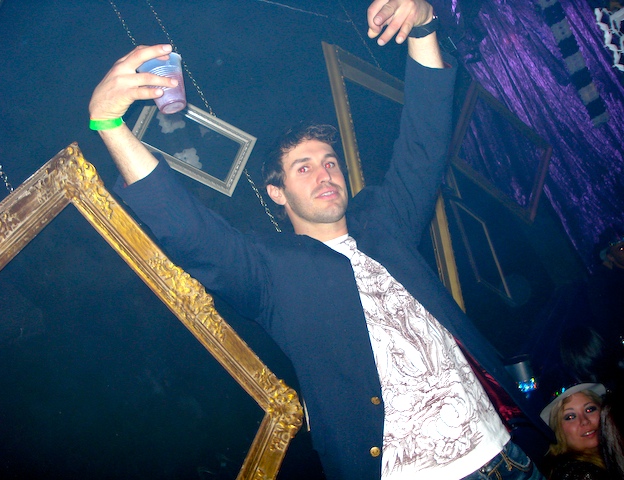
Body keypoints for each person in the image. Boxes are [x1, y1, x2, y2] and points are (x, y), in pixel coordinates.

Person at [88, 0, 548, 478]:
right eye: (303, 168)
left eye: (330, 162)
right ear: (277, 193)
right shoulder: (271, 272)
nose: (324, 173)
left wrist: (424, 26)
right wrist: (109, 124)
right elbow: (191, 232)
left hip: (507, 456)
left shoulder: (384, 221)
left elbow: (424, 142)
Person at [539, 383, 610, 480]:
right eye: (570, 417)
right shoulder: (578, 473)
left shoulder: (612, 453)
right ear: (558, 429)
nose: (584, 421)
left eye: (589, 409)